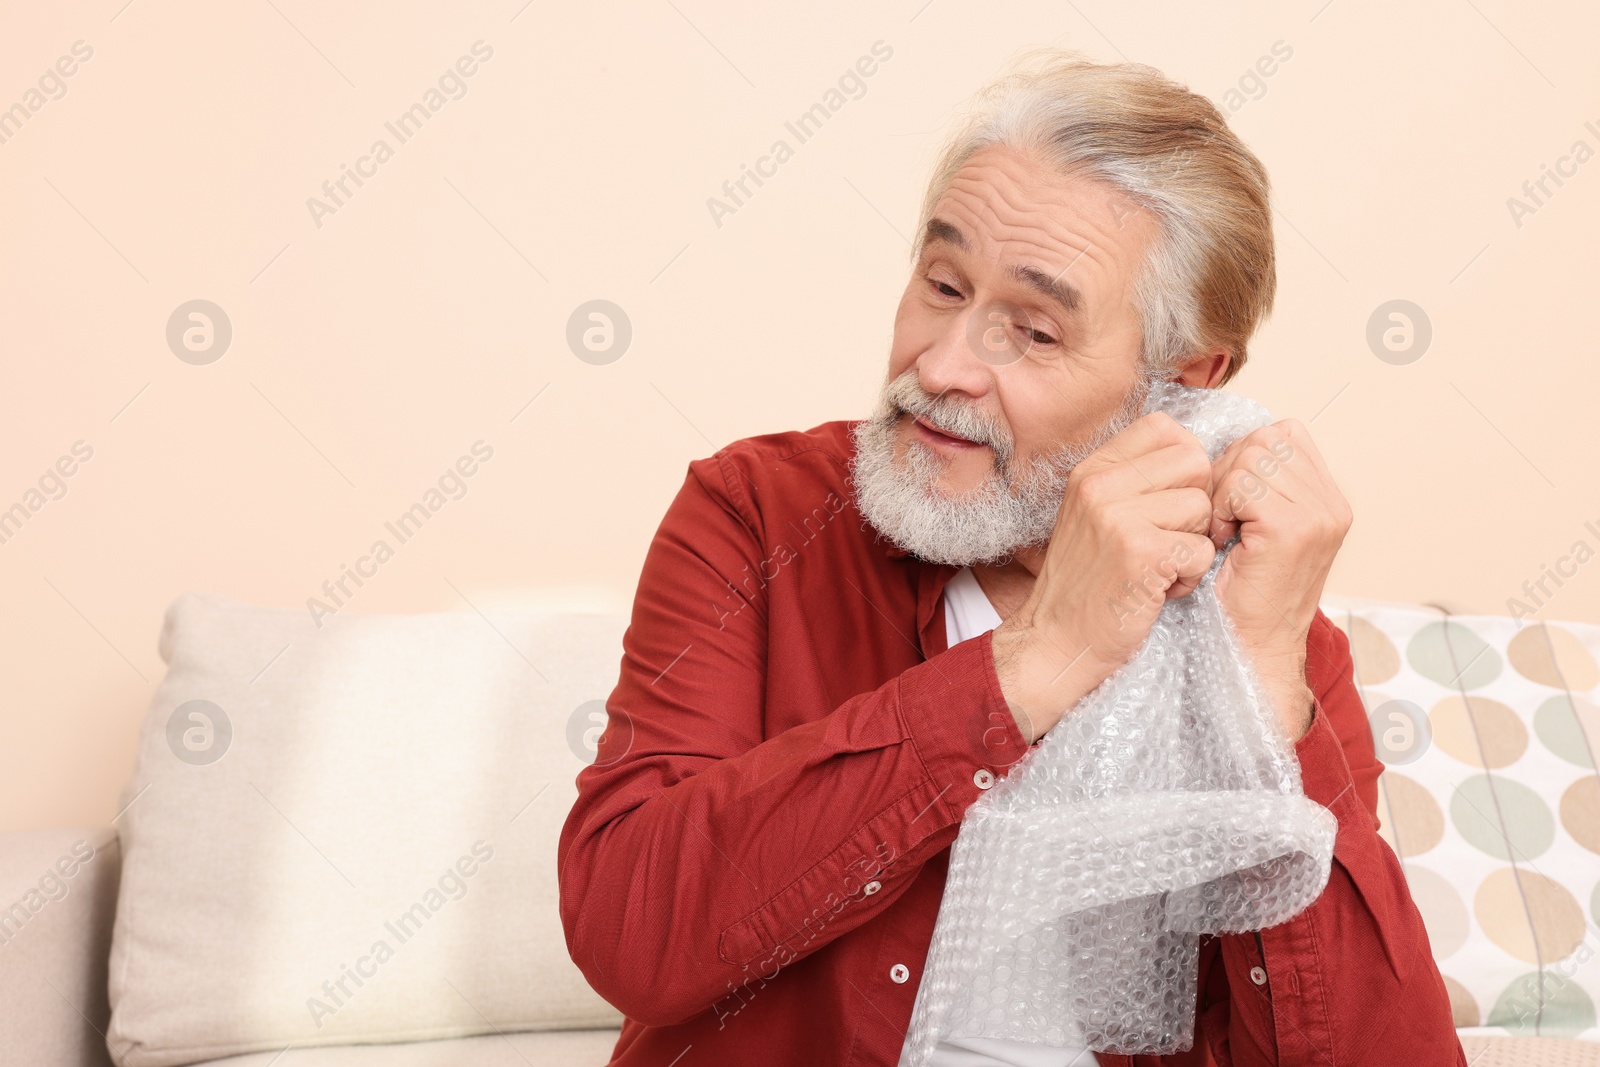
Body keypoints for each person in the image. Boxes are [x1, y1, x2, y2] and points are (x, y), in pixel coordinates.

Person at [557, 49, 1465, 1067]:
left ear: (1181, 379)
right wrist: (1039, 656)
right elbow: (629, 930)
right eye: (941, 284)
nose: (941, 365)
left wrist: (1258, 700)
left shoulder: (1269, 632)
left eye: (1031, 331)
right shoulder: (755, 514)